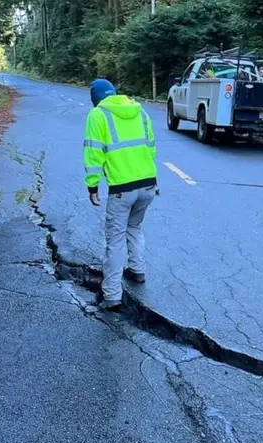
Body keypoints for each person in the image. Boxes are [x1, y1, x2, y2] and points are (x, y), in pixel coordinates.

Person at [83, 79, 158, 310]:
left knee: (115, 241)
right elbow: (151, 148)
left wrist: (92, 186)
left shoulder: (98, 115)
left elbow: (93, 154)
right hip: (147, 185)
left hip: (121, 190)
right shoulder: (140, 111)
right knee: (134, 228)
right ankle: (137, 270)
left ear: (95, 98)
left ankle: (112, 296)